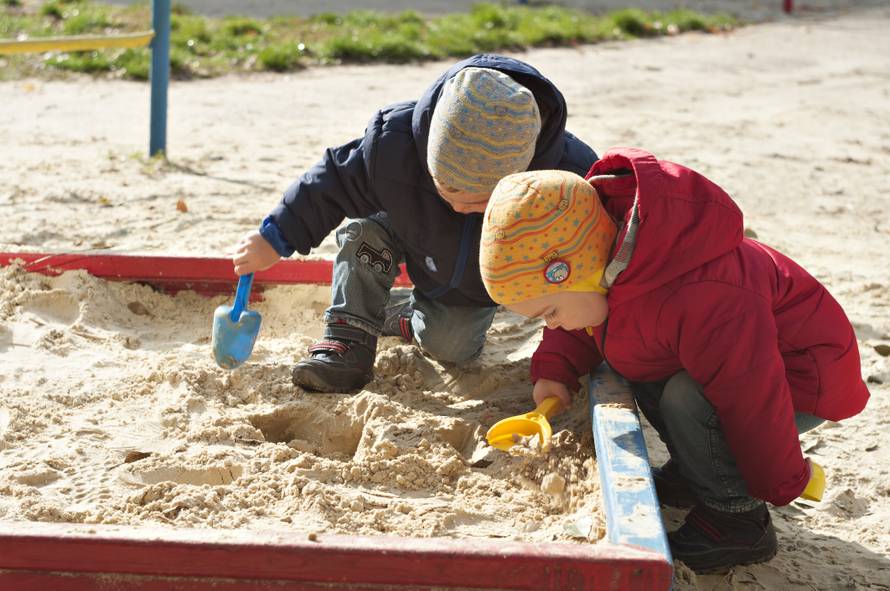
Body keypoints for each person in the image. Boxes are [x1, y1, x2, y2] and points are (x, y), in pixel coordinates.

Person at [477, 149, 870, 572]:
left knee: (687, 398)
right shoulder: (608, 263)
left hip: (803, 377)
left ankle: (738, 522)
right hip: (731, 368)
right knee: (639, 362)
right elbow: (585, 320)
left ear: (573, 272)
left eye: (549, 312)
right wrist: (556, 370)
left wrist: (783, 478)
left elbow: (752, 395)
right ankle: (697, 469)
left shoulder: (703, 293)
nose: (551, 324)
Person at [231, 54, 598, 393]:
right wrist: (275, 237)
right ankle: (347, 338)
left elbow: (597, 248)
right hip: (405, 228)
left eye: (480, 202)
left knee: (451, 346)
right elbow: (330, 183)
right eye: (447, 189)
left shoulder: (565, 178)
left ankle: (403, 313)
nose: (460, 206)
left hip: (472, 282)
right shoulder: (394, 146)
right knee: (364, 234)